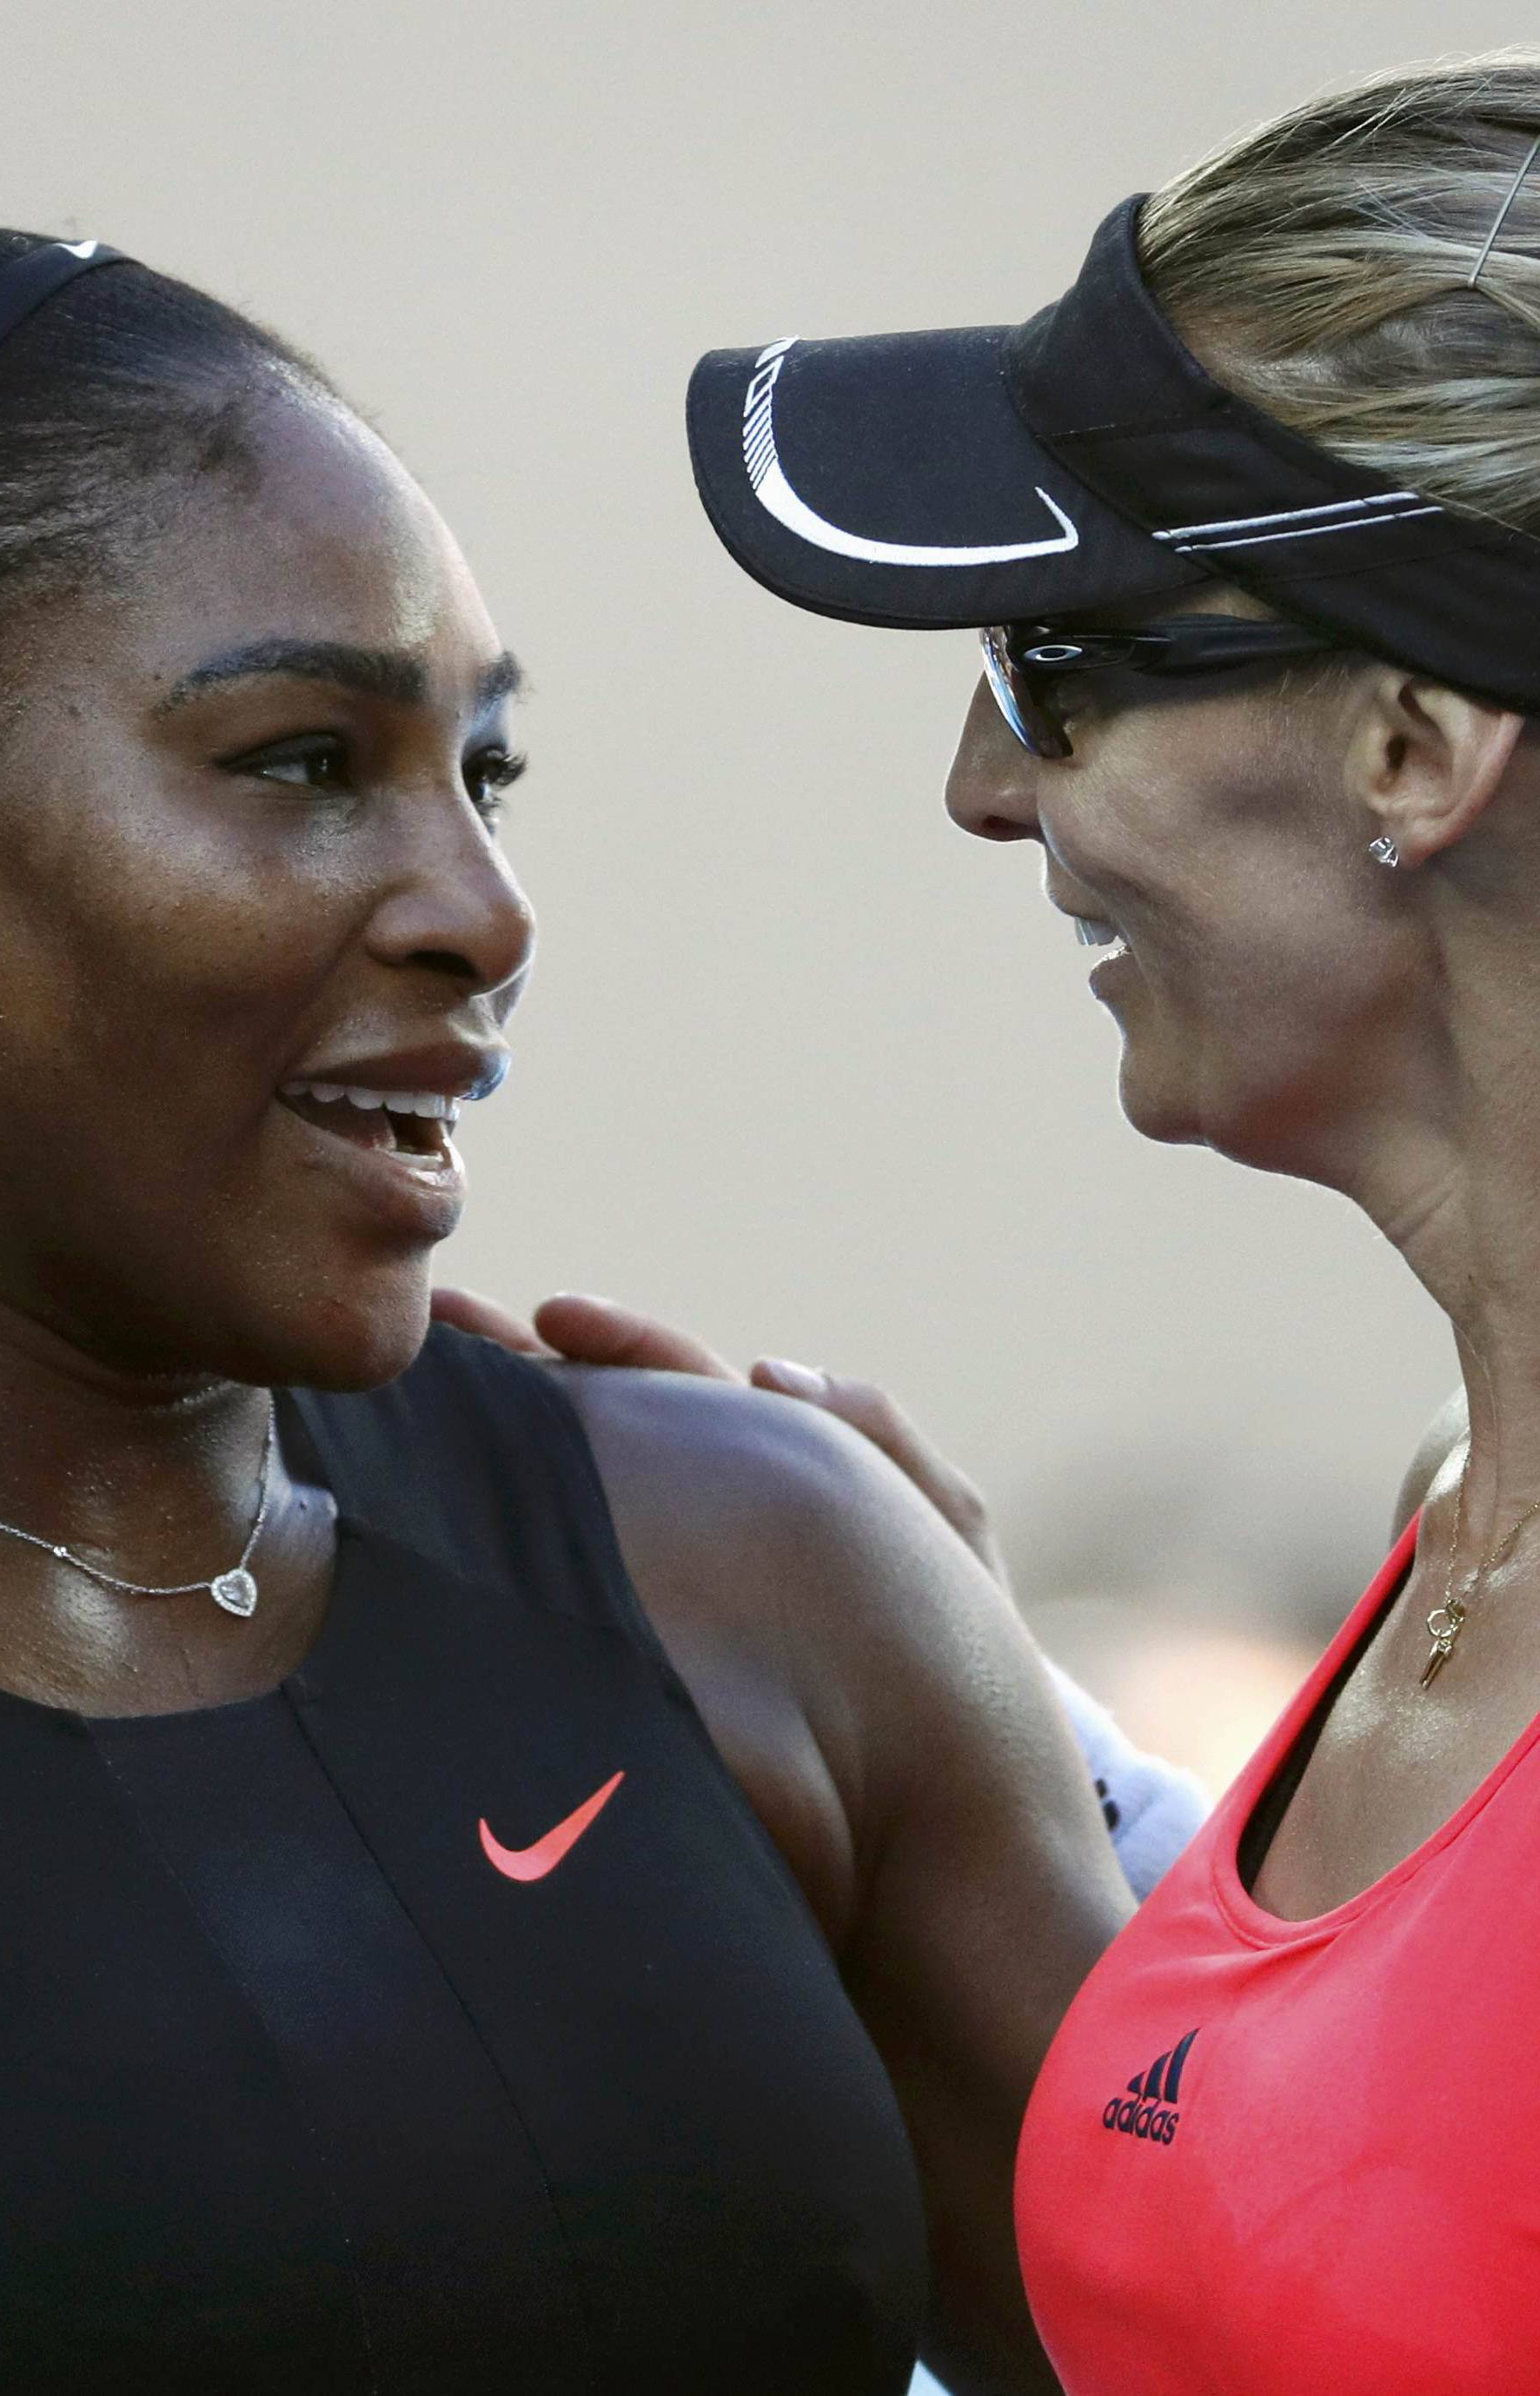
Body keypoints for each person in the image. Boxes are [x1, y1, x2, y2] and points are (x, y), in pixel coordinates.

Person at [0, 210, 1177, 2396]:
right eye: (301, 761)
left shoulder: (756, 1569)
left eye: (487, 772)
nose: (487, 911)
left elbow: (1303, 2314)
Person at [441, 47, 1540, 2396]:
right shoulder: (1461, 1520)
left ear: (1420, 747)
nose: (976, 782)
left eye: (1055, 659)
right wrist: (990, 1721)